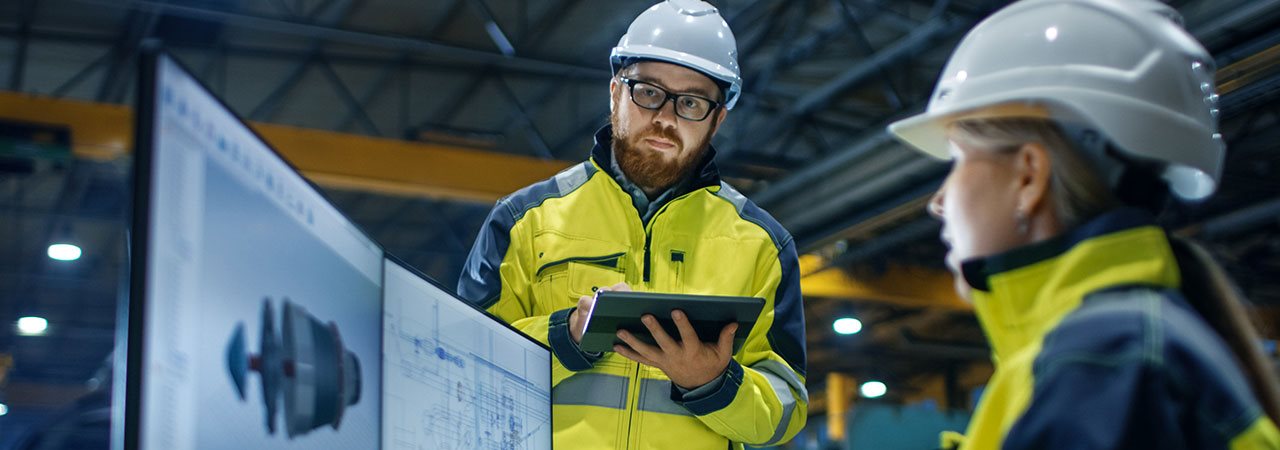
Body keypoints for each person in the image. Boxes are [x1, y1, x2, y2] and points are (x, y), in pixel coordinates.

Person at [887, 0, 1280, 448]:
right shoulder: (1121, 348)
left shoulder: (1106, 359)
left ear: (1029, 176)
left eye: (957, 159)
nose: (938, 203)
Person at [456, 1, 807, 448]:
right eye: (648, 91)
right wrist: (566, 337)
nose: (665, 116)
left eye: (692, 103)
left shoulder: (763, 246)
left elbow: (787, 412)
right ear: (615, 92)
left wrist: (715, 382)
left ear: (717, 119)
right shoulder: (525, 221)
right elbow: (464, 361)